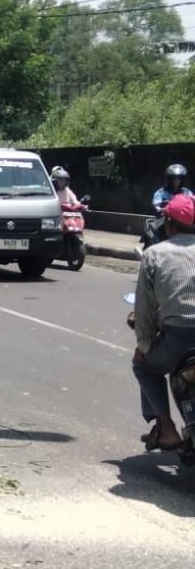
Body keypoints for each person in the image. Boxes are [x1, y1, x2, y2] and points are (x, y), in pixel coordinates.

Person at [131, 192, 195, 452]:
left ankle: (167, 430)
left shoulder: (155, 254)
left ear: (168, 222)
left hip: (177, 340)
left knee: (143, 366)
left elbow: (144, 310)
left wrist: (144, 344)